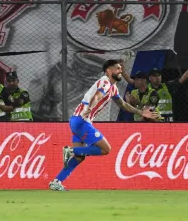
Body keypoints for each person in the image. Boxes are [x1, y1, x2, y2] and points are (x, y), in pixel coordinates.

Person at [49, 60, 159, 191]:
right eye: (117, 69)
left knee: (79, 157)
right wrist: (90, 107)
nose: (120, 71)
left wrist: (141, 112)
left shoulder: (113, 88)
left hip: (76, 120)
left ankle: (56, 181)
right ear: (108, 71)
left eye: (121, 69)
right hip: (82, 120)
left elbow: (123, 104)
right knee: (106, 149)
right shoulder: (105, 82)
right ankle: (71, 150)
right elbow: (97, 95)